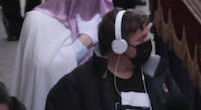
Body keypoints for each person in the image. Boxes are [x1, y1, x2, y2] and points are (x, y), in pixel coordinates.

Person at [43, 8, 185, 110]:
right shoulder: (77, 85)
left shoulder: (157, 72)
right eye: (141, 39)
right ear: (119, 47)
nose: (148, 43)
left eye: (147, 36)